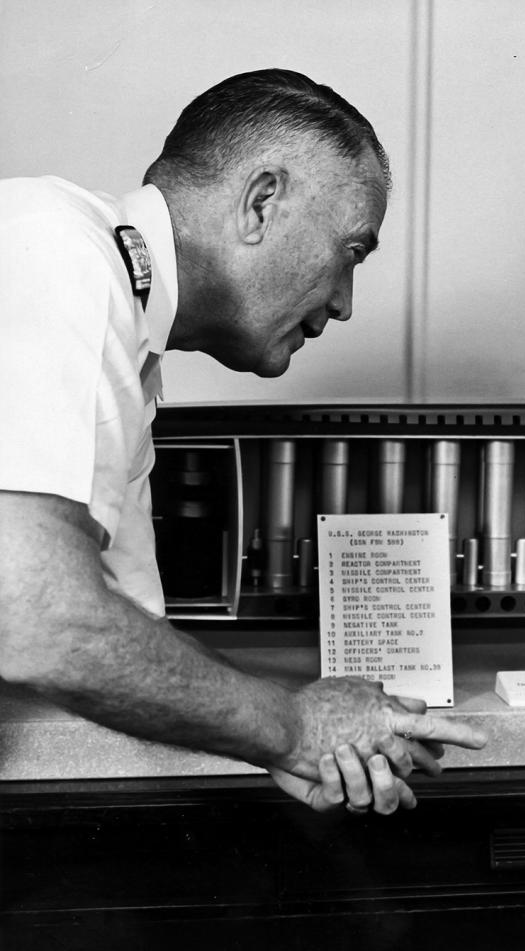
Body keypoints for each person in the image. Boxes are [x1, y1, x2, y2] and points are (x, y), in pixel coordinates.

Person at [0, 69, 486, 816]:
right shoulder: (58, 251)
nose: (344, 305)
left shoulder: (127, 332)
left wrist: (287, 729)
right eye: (351, 252)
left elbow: (128, 632)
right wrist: (292, 726)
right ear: (261, 204)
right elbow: (39, 620)